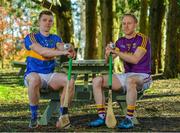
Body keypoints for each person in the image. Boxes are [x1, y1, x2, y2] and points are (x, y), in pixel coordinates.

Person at [88, 13, 152, 129]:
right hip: (126, 75)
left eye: (129, 23)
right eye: (124, 23)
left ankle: (129, 119)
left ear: (135, 25)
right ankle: (102, 116)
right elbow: (109, 62)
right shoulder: (120, 41)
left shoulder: (142, 39)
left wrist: (116, 52)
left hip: (142, 75)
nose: (126, 26)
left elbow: (135, 59)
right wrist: (108, 53)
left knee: (130, 81)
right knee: (97, 80)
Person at [24, 10, 76, 128]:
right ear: (39, 22)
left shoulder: (55, 38)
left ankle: (63, 116)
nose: (47, 23)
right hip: (33, 73)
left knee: (70, 81)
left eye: (50, 21)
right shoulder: (31, 37)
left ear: (52, 23)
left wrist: (69, 47)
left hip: (50, 75)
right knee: (35, 79)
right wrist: (63, 51)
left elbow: (62, 45)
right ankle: (34, 117)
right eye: (44, 20)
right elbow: (43, 52)